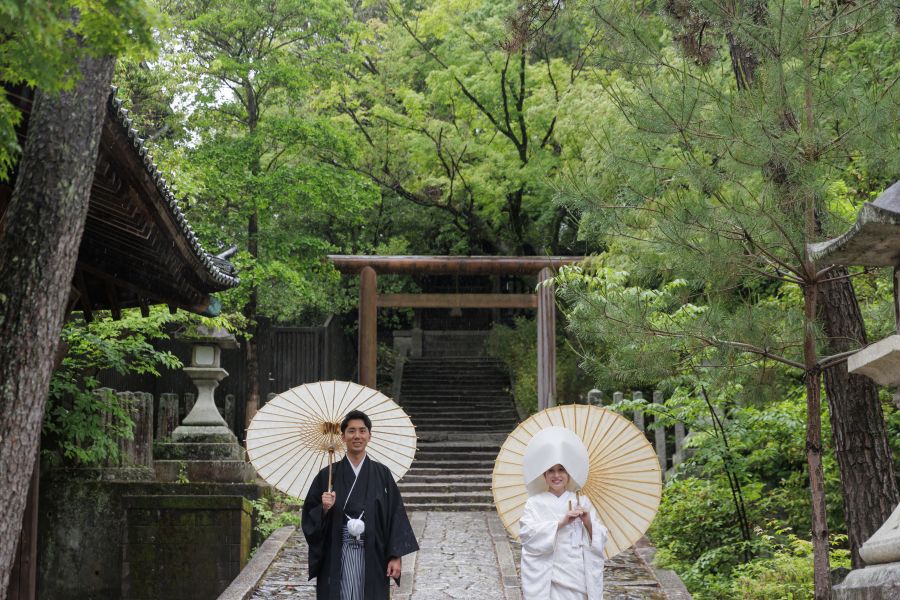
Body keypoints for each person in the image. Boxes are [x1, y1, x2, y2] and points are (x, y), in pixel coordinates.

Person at [302, 409, 419, 600]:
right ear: (343, 437)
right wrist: (323, 509)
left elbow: (394, 515)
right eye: (351, 431)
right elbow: (309, 518)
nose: (357, 436)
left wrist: (395, 556)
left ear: (369, 436)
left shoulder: (382, 474)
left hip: (372, 552)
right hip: (337, 552)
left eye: (362, 431)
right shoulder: (327, 475)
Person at [518, 429, 608, 600]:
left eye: (561, 470)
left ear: (569, 474)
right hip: (548, 573)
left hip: (576, 571)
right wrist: (561, 522)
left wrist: (588, 522)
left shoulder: (582, 502)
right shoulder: (534, 503)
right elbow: (526, 534)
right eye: (551, 470)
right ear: (544, 475)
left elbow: (600, 538)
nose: (556, 475)